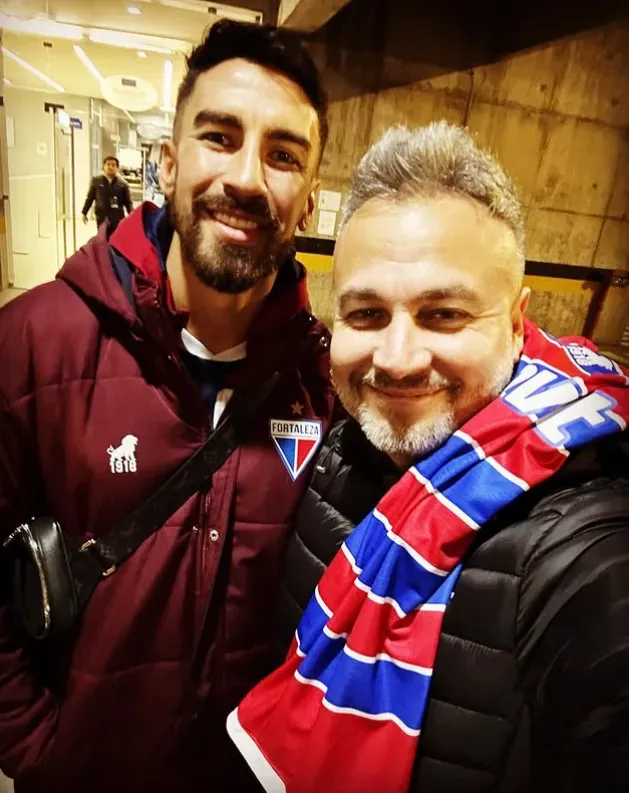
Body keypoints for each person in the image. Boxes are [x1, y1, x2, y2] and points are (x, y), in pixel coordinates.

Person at [229, 122, 629, 793]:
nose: (396, 359)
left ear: (514, 318)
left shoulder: (582, 551)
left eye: (443, 313)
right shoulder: (342, 444)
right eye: (364, 315)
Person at [0, 20, 334, 793]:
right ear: (169, 160)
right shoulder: (33, 345)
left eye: (283, 154)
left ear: (310, 199)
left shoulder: (323, 385)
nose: (247, 176)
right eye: (220, 136)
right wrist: (40, 749)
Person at [81, 155, 133, 230]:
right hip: (101, 217)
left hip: (117, 218)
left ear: (117, 168)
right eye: (108, 164)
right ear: (104, 166)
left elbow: (128, 203)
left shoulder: (123, 184)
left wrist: (132, 217)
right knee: (102, 239)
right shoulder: (96, 181)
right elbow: (90, 198)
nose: (110, 167)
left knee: (115, 240)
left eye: (113, 165)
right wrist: (84, 212)